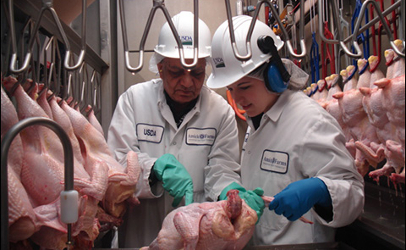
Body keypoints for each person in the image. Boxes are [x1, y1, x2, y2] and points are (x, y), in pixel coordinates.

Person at [107, 11, 263, 248]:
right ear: (160, 68)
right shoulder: (133, 100)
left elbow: (222, 170)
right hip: (141, 233)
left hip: (199, 237)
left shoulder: (220, 111)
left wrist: (229, 193)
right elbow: (115, 165)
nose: (188, 82)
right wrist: (152, 170)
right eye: (176, 72)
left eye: (197, 72)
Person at [207, 15, 365, 246]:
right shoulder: (258, 118)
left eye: (245, 86)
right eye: (231, 88)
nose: (237, 98)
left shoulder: (310, 120)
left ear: (274, 76)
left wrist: (322, 190)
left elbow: (353, 195)